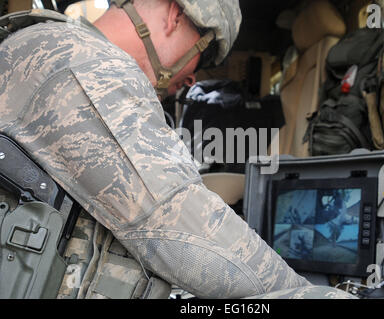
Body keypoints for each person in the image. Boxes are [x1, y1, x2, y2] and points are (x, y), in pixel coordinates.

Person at [0, 0, 354, 299]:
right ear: (176, 15)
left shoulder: (54, 46)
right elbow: (180, 228)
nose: (190, 79)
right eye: (201, 58)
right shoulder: (87, 65)